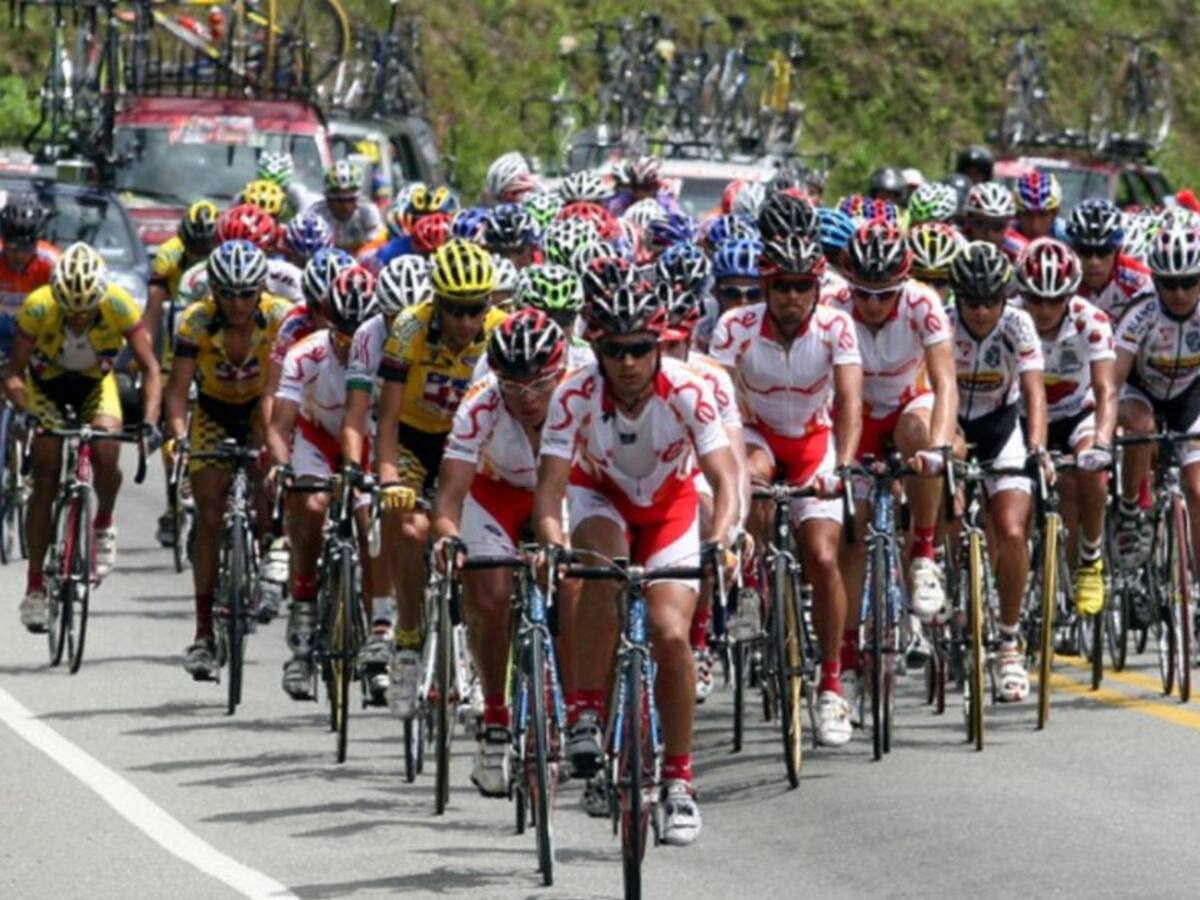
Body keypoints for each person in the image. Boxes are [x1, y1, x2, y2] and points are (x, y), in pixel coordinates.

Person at [535, 282, 741, 847]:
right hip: (601, 495)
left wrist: (721, 538)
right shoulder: (572, 394)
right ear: (595, 351)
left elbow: (724, 478)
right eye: (614, 351)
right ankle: (585, 711)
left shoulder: (689, 389)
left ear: (659, 345)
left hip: (671, 505)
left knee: (672, 634)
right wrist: (553, 542)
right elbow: (550, 488)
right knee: (602, 569)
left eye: (640, 349)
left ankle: (678, 780)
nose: (627, 363)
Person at [709, 234, 863, 746]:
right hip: (756, 435)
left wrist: (841, 466)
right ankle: (750, 586)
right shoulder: (735, 327)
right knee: (749, 476)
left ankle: (832, 685)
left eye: (802, 287)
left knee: (822, 555)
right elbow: (720, 407)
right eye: (781, 287)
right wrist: (732, 473)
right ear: (766, 287)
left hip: (814, 442)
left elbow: (848, 403)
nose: (792, 297)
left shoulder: (837, 326)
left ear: (817, 288)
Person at [432, 309, 574, 796]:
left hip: (568, 492)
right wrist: (447, 538)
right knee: (489, 597)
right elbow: (449, 495)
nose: (528, 398)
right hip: (496, 494)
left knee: (579, 585)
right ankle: (495, 717)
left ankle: (581, 709)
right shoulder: (481, 403)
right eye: (515, 387)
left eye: (540, 385)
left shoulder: (583, 394)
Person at [374, 240, 508, 716]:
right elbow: (386, 419)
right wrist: (389, 477)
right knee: (410, 528)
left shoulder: (499, 335)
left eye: (475, 310)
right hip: (414, 439)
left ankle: (473, 660)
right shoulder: (408, 329)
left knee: (474, 553)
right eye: (454, 311)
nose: (465, 323)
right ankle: (408, 639)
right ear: (437, 303)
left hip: (472, 449)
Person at [829, 220, 957, 690]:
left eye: (885, 295)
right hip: (856, 413)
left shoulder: (924, 302)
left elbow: (945, 382)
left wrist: (940, 449)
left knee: (921, 432)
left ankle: (923, 551)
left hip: (907, 405)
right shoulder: (833, 308)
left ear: (903, 286)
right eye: (863, 293)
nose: (873, 305)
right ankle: (844, 644)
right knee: (853, 533)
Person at [8, 244, 161, 631]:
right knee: (44, 474)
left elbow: (151, 368)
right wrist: (26, 412)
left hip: (96, 386)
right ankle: (36, 587)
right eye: (70, 310)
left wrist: (149, 421)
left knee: (107, 449)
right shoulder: (39, 307)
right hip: (45, 388)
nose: (77, 318)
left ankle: (104, 522)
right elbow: (12, 373)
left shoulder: (119, 305)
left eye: (86, 311)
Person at [165, 240, 293, 679]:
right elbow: (178, 392)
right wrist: (180, 440)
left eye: (247, 293)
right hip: (214, 412)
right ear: (213, 291)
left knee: (267, 474)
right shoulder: (196, 319)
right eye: (228, 293)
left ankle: (270, 540)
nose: (238, 303)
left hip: (261, 407)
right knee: (210, 515)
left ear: (260, 290)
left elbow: (288, 386)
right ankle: (202, 633)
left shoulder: (279, 317)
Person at [268, 265, 388, 700]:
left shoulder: (388, 353)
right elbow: (280, 425)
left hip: (368, 444)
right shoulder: (306, 353)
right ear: (325, 320)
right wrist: (282, 468)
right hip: (317, 438)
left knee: (370, 520)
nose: (348, 341)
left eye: (357, 330)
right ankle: (302, 608)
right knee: (313, 506)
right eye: (340, 330)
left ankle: (379, 631)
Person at [946, 241, 1048, 703]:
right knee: (946, 516)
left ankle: (1009, 641)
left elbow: (1034, 393)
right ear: (957, 298)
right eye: (973, 302)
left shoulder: (1018, 322)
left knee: (1010, 530)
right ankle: (947, 607)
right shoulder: (943, 324)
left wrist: (1038, 447)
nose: (983, 311)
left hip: (1001, 426)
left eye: (992, 300)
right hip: (950, 425)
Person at [1014, 238, 1116, 615]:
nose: (1042, 309)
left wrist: (1102, 443)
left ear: (1070, 296)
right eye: (1034, 299)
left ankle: (1090, 559)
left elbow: (1107, 390)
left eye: (1053, 300)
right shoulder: (1010, 317)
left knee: (1090, 471)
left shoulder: (1091, 321)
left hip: (1077, 414)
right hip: (1024, 417)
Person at [1112, 224, 1200, 575]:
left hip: (1190, 394)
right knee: (1140, 424)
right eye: (1168, 283)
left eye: (1189, 282)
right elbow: (1113, 379)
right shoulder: (1142, 311)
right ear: (1156, 280)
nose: (1178, 292)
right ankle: (1130, 509)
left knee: (1197, 491)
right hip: (1141, 390)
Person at [1066, 198, 1155, 324]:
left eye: (1103, 251)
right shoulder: (1061, 278)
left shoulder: (1142, 283)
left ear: (1117, 250)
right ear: (1072, 249)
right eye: (1085, 251)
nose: (1094, 262)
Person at [0, 193, 59, 369]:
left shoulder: (53, 262)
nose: (19, 255)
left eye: (27, 248)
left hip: (37, 334)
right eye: (12, 247)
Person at [146, 200, 218, 343]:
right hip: (180, 316)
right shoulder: (169, 253)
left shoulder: (224, 252)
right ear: (183, 241)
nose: (198, 258)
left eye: (204, 253)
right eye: (192, 250)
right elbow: (153, 309)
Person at [306, 161, 386, 255]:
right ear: (328, 199)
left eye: (350, 199)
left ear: (357, 198)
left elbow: (380, 241)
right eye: (338, 200)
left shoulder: (368, 211)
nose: (345, 206)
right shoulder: (316, 214)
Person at [962, 182, 1027, 263]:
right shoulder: (958, 241)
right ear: (968, 221)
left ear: (1008, 225)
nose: (989, 233)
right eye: (980, 224)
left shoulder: (1020, 250)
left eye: (997, 226)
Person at [1013, 171, 1065, 241]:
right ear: (1017, 215)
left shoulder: (1068, 236)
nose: (1035, 225)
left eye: (1043, 215)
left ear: (1055, 214)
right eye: (1028, 215)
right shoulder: (1006, 236)